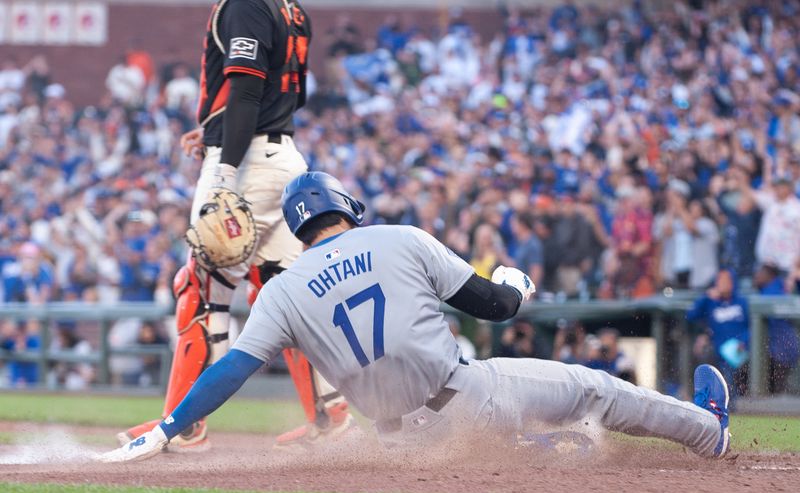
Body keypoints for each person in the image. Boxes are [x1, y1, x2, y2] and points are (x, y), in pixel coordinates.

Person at [100, 172, 730, 463]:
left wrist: (169, 425)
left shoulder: (283, 290)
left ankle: (540, 450)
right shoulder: (400, 237)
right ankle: (710, 433)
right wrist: (514, 280)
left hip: (401, 444)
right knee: (595, 387)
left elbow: (230, 370)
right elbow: (497, 307)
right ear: (346, 206)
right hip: (466, 395)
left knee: (520, 439)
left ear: (297, 230)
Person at [119, 0, 356, 453]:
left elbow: (246, 90)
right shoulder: (291, 8)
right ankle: (331, 417)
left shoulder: (246, 3)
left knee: (202, 292)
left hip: (248, 166)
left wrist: (225, 168)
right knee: (287, 293)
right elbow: (289, 94)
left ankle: (184, 427)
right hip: (282, 156)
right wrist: (215, 129)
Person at [686, 269, 750, 398]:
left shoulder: (741, 301)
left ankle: (732, 404)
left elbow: (750, 326)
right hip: (716, 348)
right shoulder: (711, 301)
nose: (722, 284)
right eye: (720, 280)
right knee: (704, 358)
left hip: (738, 349)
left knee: (729, 368)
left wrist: (743, 342)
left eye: (726, 280)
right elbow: (690, 316)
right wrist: (705, 297)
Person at [754, 264, 799, 394]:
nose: (757, 275)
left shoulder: (774, 290)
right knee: (776, 386)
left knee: (777, 388)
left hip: (783, 348)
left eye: (761, 272)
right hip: (780, 348)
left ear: (770, 275)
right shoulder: (771, 289)